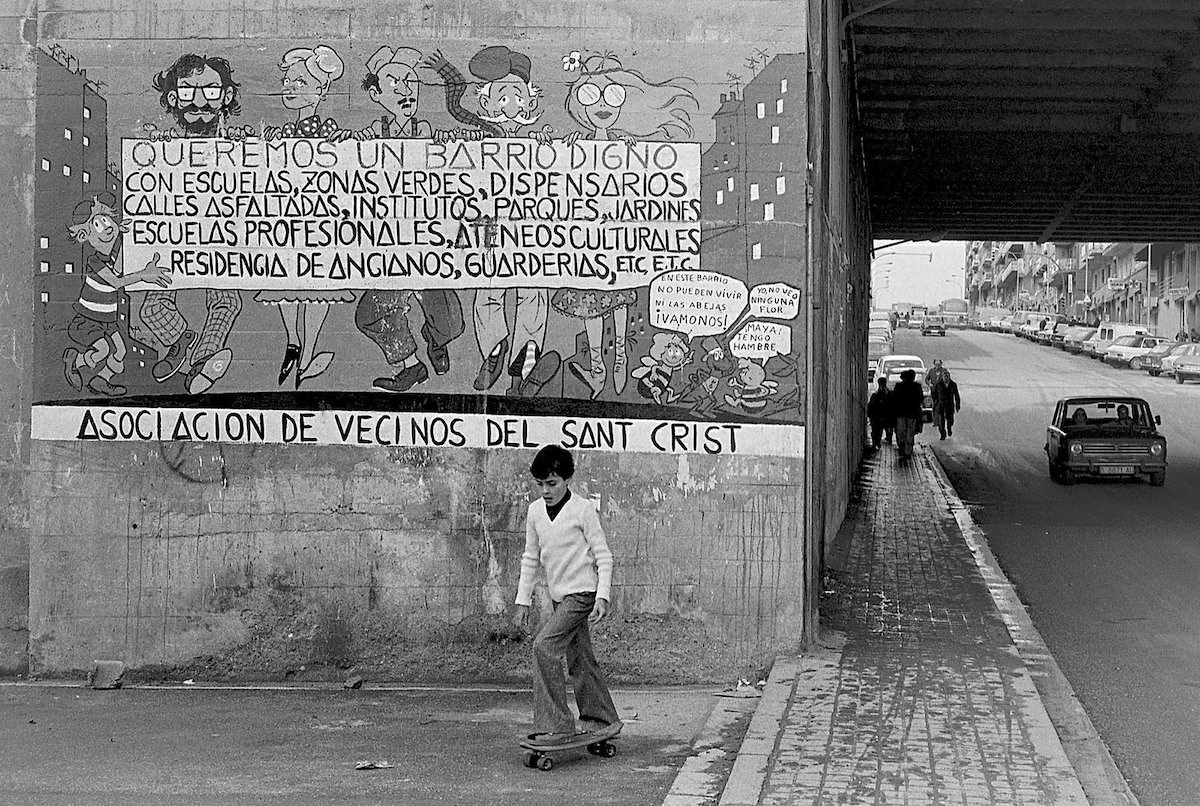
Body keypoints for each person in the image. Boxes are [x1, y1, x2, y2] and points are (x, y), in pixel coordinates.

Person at [352, 46, 466, 392]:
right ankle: (411, 366)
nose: (406, 90)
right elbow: (355, 157)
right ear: (376, 94)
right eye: (395, 83)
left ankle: (436, 340)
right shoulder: (375, 131)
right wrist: (349, 145)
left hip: (427, 244)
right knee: (371, 314)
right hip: (391, 249)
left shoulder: (426, 130)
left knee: (450, 323)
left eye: (410, 81)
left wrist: (450, 144)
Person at [143, 53, 246, 394]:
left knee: (227, 300)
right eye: (188, 92)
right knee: (152, 305)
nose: (199, 101)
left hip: (220, 234)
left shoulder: (239, 147)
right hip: (175, 235)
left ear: (226, 98)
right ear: (173, 98)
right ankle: (179, 337)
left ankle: (204, 361)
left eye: (211, 91)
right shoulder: (162, 149)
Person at [259, 44, 356, 388]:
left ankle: (308, 348)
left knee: (318, 289)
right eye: (288, 80)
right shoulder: (280, 133)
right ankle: (293, 342)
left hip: (322, 227)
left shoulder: (329, 132)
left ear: (321, 89)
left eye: (300, 82)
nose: (289, 87)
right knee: (285, 283)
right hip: (288, 224)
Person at [513, 445, 622, 745]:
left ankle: (556, 726)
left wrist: (603, 596)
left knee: (543, 647)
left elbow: (604, 557)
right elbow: (530, 558)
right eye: (541, 485)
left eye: (553, 483)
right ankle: (601, 719)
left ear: (567, 479)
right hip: (559, 597)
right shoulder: (535, 512)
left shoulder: (582, 509)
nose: (546, 491)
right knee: (581, 660)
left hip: (582, 595)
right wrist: (522, 601)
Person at [63, 194, 171, 396]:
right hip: (87, 320)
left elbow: (121, 263)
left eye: (106, 220)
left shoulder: (114, 252)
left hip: (107, 319)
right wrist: (142, 275)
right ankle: (75, 360)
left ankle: (101, 381)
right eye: (97, 225)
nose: (106, 227)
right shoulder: (94, 262)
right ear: (85, 236)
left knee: (120, 352)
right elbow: (116, 282)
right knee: (103, 350)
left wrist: (124, 235)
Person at [891, 368, 925, 460]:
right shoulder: (917, 386)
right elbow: (921, 399)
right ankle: (907, 450)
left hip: (900, 413)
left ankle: (902, 447)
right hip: (912, 413)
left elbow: (894, 400)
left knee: (901, 431)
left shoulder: (899, 386)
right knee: (910, 432)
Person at [931, 370, 961, 440]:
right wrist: (936, 401)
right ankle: (942, 434)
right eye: (945, 377)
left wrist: (957, 405)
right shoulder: (938, 384)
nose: (946, 378)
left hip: (949, 405)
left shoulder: (953, 384)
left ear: (949, 377)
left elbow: (956, 395)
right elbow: (934, 393)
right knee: (941, 422)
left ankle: (949, 428)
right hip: (941, 405)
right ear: (942, 377)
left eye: (947, 377)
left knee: (950, 420)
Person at [867, 376, 894, 450]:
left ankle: (876, 443)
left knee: (876, 430)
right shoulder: (886, 393)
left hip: (877, 415)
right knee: (878, 430)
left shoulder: (876, 395)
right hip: (881, 415)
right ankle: (876, 443)